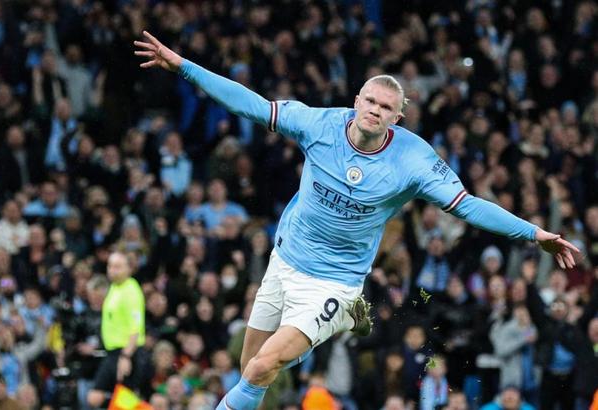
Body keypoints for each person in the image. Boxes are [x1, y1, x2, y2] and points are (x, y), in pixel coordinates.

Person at [134, 30, 580, 410]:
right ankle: (327, 331)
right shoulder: (319, 125)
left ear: (397, 118)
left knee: (261, 367)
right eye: (370, 101)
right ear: (356, 101)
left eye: (386, 108)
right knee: (250, 369)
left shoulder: (413, 160)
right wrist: (183, 67)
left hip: (334, 282)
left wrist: (534, 233)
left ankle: (343, 313)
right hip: (284, 261)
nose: (375, 110)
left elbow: (468, 205)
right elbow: (249, 104)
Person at [87, 251, 147, 408]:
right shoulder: (114, 288)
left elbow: (136, 327)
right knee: (95, 397)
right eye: (110, 266)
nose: (113, 270)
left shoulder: (131, 290)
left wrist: (126, 356)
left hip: (127, 352)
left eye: (118, 267)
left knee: (125, 399)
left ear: (128, 269)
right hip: (112, 352)